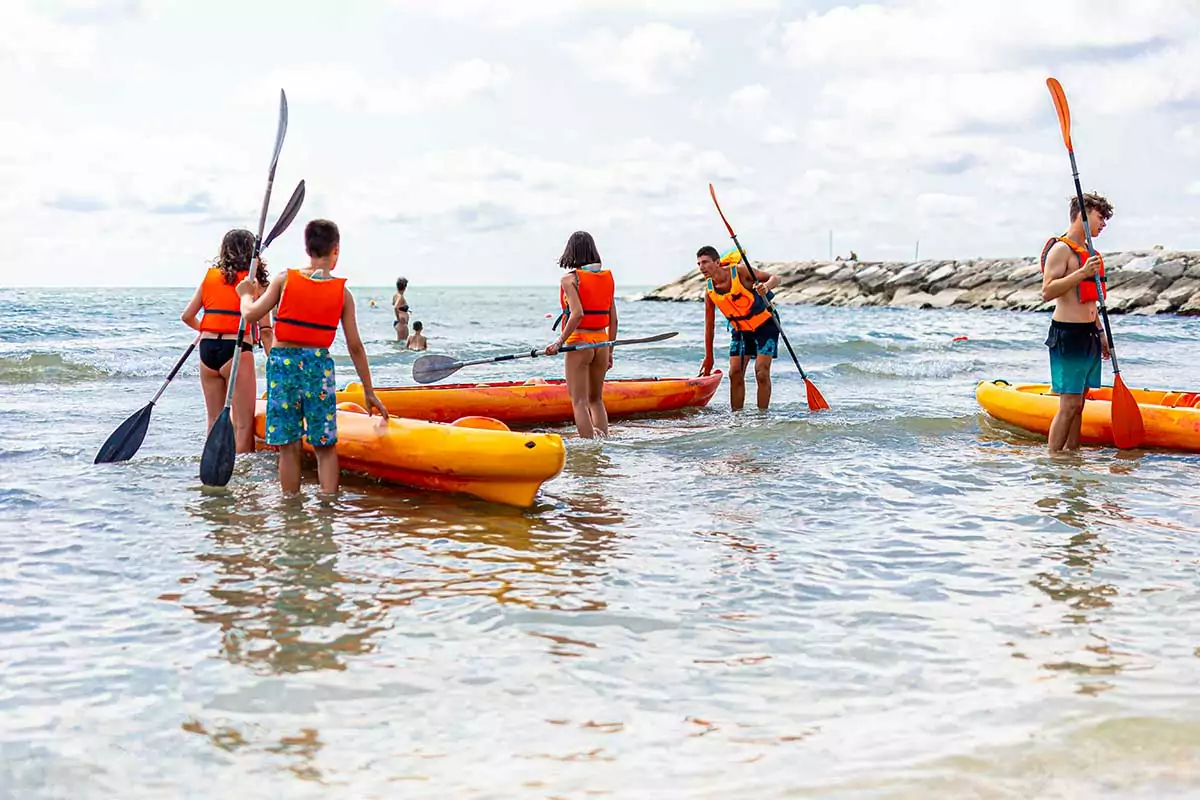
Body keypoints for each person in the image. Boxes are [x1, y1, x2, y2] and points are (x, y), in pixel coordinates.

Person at [237, 219, 388, 494]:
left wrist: (246, 294)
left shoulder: (284, 280)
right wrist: (369, 390)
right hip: (318, 367)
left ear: (307, 249)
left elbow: (250, 314)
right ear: (336, 251)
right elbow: (355, 346)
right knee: (325, 445)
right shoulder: (343, 294)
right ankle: (328, 509)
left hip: (283, 366)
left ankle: (291, 511)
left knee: (289, 446)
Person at [180, 229, 273, 454]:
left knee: (214, 420)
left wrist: (207, 328)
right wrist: (276, 363)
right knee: (243, 424)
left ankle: (211, 471)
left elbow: (187, 316)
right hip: (237, 349)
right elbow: (266, 330)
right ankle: (241, 477)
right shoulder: (254, 283)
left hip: (207, 350)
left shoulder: (210, 277)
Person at [1039, 192, 1113, 453]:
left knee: (1079, 404)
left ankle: (1072, 457)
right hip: (1068, 335)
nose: (1103, 223)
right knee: (1069, 404)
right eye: (1100, 217)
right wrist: (1082, 273)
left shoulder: (1090, 253)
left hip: (1089, 334)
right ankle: (1053, 460)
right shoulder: (1062, 250)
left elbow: (1090, 303)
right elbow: (1047, 291)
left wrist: (1100, 333)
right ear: (1083, 214)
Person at [545, 231, 616, 439]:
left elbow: (577, 314)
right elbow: (614, 319)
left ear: (571, 251)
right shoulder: (607, 279)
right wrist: (610, 350)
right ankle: (603, 445)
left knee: (579, 402)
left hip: (580, 341)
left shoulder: (569, 280)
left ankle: (588, 451)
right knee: (596, 400)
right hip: (602, 342)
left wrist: (559, 342)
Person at [697, 245, 782, 411]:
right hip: (741, 330)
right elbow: (709, 327)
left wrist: (767, 287)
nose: (701, 267)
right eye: (699, 264)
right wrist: (709, 358)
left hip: (766, 324)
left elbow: (775, 278)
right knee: (734, 373)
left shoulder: (740, 272)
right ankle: (737, 419)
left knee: (761, 372)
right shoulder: (709, 291)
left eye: (705, 262)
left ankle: (762, 418)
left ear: (717, 262)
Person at [392, 277, 410, 341]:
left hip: (400, 323)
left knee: (400, 342)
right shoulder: (400, 296)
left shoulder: (395, 295)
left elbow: (395, 305)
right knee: (403, 343)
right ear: (405, 287)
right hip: (402, 323)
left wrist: (405, 310)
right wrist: (399, 319)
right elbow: (395, 307)